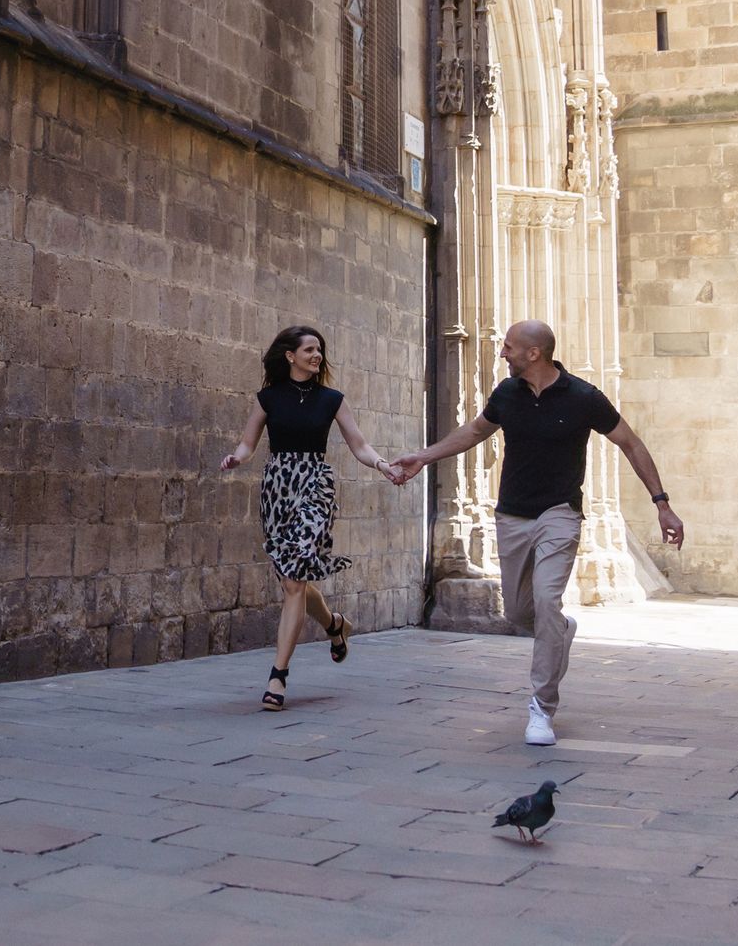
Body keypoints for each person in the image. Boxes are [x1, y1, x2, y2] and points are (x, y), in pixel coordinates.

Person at [388, 319, 683, 745]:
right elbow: (475, 431)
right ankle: (559, 630)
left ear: (534, 353)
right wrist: (423, 456)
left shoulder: (584, 397)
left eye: (509, 347)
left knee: (546, 600)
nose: (502, 353)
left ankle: (541, 708)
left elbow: (631, 443)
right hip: (512, 516)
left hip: (559, 514)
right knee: (518, 613)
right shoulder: (507, 394)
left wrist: (662, 503)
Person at [221, 325, 403, 711]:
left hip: (315, 487)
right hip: (277, 490)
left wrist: (382, 465)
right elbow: (248, 443)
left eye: (319, 349)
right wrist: (237, 458)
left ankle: (278, 676)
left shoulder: (332, 399)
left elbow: (359, 444)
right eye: (309, 350)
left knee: (293, 582)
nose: (317, 355)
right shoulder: (268, 398)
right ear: (290, 356)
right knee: (294, 580)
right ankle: (334, 624)